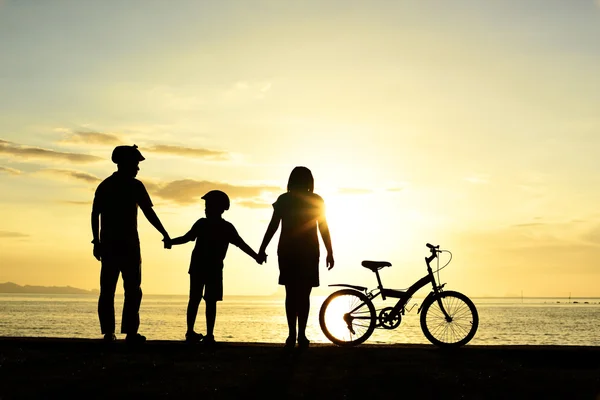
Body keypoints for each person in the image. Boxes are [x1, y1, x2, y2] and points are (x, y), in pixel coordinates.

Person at [91, 144, 170, 344]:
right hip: (122, 245)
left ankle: (118, 332)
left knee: (123, 289)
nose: (138, 168)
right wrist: (96, 241)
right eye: (135, 163)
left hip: (117, 244)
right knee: (123, 289)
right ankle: (120, 333)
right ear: (125, 163)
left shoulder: (111, 185)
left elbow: (95, 214)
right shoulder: (127, 186)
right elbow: (96, 214)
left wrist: (97, 242)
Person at [164, 190, 264, 345]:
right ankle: (197, 333)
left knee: (201, 300)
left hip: (204, 267)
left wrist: (171, 242)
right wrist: (256, 256)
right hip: (209, 268)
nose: (206, 208)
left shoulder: (209, 225)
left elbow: (241, 244)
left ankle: (201, 333)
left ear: (219, 208)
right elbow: (187, 238)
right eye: (206, 205)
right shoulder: (217, 226)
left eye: (209, 205)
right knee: (202, 300)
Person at [258, 166, 334, 350]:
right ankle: (300, 334)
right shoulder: (315, 200)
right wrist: (329, 251)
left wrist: (262, 248)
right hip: (307, 251)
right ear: (309, 181)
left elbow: (273, 225)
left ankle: (293, 335)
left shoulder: (285, 200)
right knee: (303, 294)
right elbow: (323, 227)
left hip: (288, 250)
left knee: (291, 294)